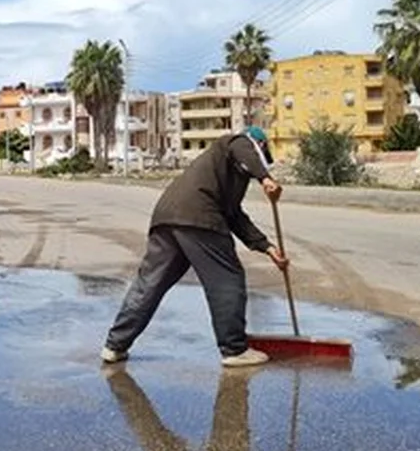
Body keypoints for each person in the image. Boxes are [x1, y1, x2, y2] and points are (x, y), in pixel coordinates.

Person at [100, 126, 289, 367]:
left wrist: (268, 248)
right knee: (226, 278)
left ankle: (115, 345)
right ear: (259, 147)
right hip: (198, 215)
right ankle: (234, 349)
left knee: (149, 284)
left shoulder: (222, 173)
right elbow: (242, 147)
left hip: (167, 217)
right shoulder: (236, 141)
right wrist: (265, 178)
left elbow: (234, 216)